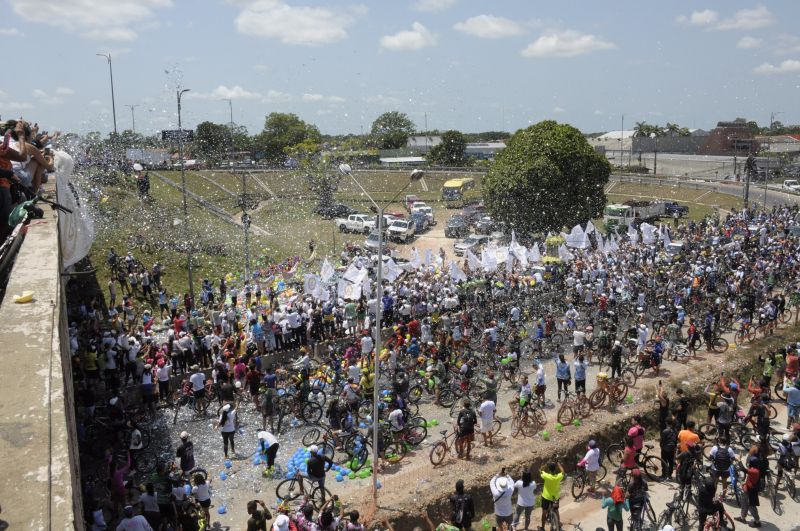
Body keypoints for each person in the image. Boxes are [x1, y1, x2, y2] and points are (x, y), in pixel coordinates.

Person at [735, 455, 762, 528]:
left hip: (751, 491)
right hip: (747, 489)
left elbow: (743, 469)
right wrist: (745, 483)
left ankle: (757, 521)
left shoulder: (754, 471)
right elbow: (749, 478)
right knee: (744, 504)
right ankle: (742, 517)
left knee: (752, 506)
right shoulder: (755, 469)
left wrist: (739, 460)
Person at [539, 461, 564, 531]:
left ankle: (543, 528)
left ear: (549, 470)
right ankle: (558, 525)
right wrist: (558, 464)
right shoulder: (558, 477)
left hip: (546, 497)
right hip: (555, 497)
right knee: (556, 510)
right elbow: (563, 472)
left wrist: (546, 465)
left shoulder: (546, 476)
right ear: (555, 469)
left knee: (544, 512)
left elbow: (540, 470)